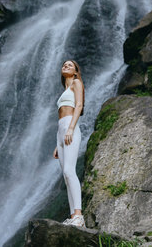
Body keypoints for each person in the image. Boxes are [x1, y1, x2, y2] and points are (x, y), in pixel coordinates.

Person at [53, 59, 86, 228]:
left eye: (70, 65)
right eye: (64, 64)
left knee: (69, 171)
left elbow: (79, 105)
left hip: (70, 128)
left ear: (75, 71)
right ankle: (73, 216)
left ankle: (79, 216)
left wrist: (71, 129)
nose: (65, 66)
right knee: (66, 177)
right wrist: (57, 143)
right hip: (61, 132)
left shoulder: (76, 82)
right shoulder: (65, 90)